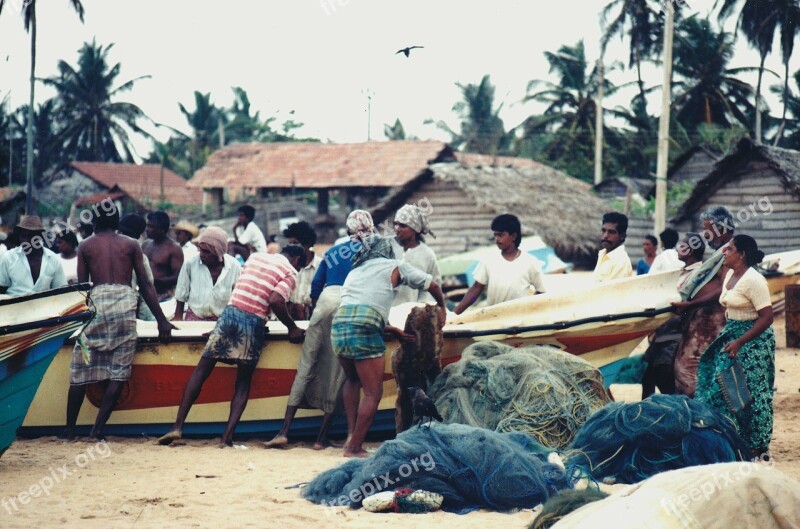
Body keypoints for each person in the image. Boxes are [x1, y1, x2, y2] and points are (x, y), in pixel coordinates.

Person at [157, 245, 307, 448]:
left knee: (201, 371)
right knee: (242, 383)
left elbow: (239, 291)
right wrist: (292, 328)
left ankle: (177, 427)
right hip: (253, 322)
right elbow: (276, 300)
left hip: (229, 314)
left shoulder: (254, 258)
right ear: (297, 259)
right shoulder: (290, 272)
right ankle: (226, 438)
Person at [331, 210, 446, 458]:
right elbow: (432, 284)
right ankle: (354, 448)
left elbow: (355, 310)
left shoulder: (354, 272)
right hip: (365, 326)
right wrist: (443, 308)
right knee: (373, 392)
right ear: (386, 252)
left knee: (352, 381)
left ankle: (351, 435)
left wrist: (388, 328)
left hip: (339, 326)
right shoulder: (395, 265)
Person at [62, 206, 174, 440]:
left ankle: (69, 431)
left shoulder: (85, 245)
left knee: (80, 370)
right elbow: (145, 284)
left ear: (94, 224)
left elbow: (84, 287)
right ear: (117, 223)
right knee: (118, 372)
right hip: (125, 304)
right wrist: (161, 321)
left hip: (97, 305)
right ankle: (97, 431)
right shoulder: (131, 244)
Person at [265, 229, 362, 450]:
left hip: (325, 302)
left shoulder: (332, 252)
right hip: (348, 302)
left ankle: (284, 431)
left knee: (306, 366)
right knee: (337, 372)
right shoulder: (369, 251)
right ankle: (320, 439)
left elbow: (316, 287)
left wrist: (319, 309)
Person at [695, 234, 775, 458]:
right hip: (733, 333)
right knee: (723, 384)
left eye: (729, 249)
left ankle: (758, 444)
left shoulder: (754, 280)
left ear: (741, 255)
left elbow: (767, 317)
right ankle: (731, 436)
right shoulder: (730, 273)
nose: (724, 252)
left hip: (754, 339)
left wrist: (741, 341)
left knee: (753, 390)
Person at [672, 206, 736, 395]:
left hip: (712, 324)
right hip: (702, 321)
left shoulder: (731, 252)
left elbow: (722, 288)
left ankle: (698, 413)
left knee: (692, 369)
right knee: (687, 368)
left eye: (709, 230)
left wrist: (691, 305)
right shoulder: (720, 253)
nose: (707, 236)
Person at [454, 214, 545, 315]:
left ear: (513, 236)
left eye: (500, 235)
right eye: (495, 235)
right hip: (494, 319)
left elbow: (542, 291)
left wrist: (530, 309)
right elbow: (476, 288)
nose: (497, 239)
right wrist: (454, 314)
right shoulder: (489, 259)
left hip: (519, 321)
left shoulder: (530, 262)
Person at [672, 232, 722, 397]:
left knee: (688, 373)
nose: (678, 248)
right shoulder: (690, 273)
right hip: (689, 330)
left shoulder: (702, 275)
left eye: (682, 245)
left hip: (701, 331)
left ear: (690, 251)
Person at [174, 227, 241, 321]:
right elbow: (181, 294)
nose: (201, 254)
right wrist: (178, 319)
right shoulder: (190, 263)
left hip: (223, 320)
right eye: (200, 250)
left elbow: (238, 298)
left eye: (206, 251)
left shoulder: (234, 266)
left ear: (218, 252)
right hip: (195, 317)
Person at [0, 216, 67, 296]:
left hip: (45, 306)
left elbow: (61, 291)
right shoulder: (8, 258)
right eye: (23, 236)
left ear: (41, 237)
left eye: (31, 236)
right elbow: (1, 290)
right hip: (15, 306)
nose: (26, 241)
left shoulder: (53, 259)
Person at [392, 204, 442, 306]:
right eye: (395, 224)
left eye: (402, 225)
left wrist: (419, 307)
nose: (397, 228)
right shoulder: (386, 247)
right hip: (384, 313)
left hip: (410, 315)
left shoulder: (427, 254)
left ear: (415, 228)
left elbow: (431, 287)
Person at [283, 221, 322, 321]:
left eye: (295, 243)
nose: (292, 248)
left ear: (307, 243)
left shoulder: (321, 266)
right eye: (290, 244)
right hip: (289, 318)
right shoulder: (285, 266)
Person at [142, 211, 184, 301]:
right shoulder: (145, 245)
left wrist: (157, 281)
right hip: (144, 294)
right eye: (147, 225)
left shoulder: (174, 248)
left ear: (161, 229)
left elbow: (179, 276)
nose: (147, 229)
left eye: (151, 226)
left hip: (164, 296)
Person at [593, 212, 633, 282]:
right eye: (603, 230)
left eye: (611, 232)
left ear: (622, 236)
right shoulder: (602, 254)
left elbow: (612, 292)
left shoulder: (621, 261)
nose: (605, 235)